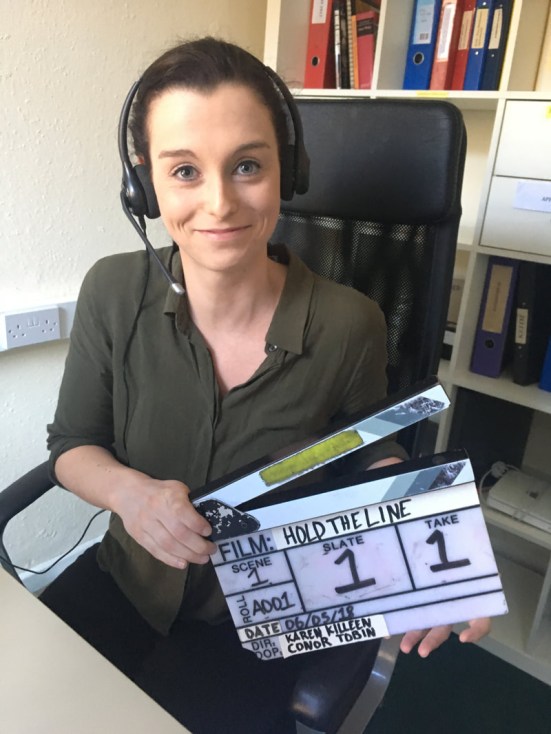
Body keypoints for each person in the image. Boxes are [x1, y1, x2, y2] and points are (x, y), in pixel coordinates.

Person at [43, 37, 490, 734]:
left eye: (247, 165)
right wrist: (129, 494)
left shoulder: (350, 323)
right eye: (184, 171)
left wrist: (429, 541)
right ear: (145, 187)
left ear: (289, 172)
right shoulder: (111, 290)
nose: (219, 203)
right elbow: (73, 444)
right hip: (123, 581)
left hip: (262, 617)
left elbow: (366, 453)